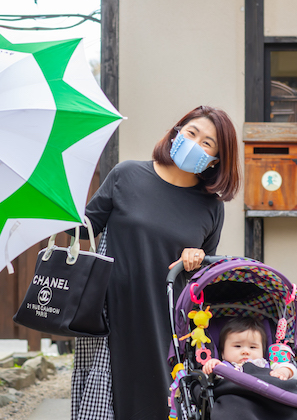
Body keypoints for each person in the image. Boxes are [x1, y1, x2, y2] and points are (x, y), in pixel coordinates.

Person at [71, 106, 241, 420]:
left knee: (162, 403)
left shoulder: (211, 208)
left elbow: (203, 278)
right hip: (114, 314)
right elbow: (83, 229)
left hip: (167, 322)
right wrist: (58, 200)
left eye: (207, 143)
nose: (195, 143)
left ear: (215, 160)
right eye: (191, 133)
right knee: (110, 401)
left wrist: (199, 258)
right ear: (176, 132)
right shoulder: (127, 174)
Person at [202, 317, 297, 381]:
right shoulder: (224, 368)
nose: (245, 352)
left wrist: (284, 372)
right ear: (222, 353)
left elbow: (292, 370)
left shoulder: (267, 365)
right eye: (237, 346)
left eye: (252, 347)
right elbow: (208, 378)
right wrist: (212, 365)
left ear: (263, 351)